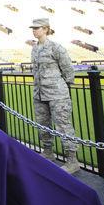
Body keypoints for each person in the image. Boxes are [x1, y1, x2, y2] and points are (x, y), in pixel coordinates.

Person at [29, 18, 79, 174]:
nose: (34, 30)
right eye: (33, 28)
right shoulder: (35, 49)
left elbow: (68, 70)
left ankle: (72, 161)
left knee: (63, 125)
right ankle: (48, 152)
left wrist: (61, 86)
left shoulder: (56, 47)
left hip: (57, 94)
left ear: (45, 29)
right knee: (43, 124)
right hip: (40, 93)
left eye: (37, 28)